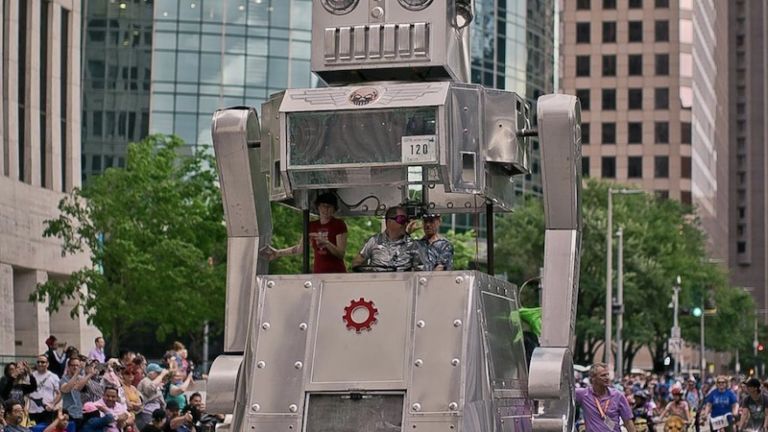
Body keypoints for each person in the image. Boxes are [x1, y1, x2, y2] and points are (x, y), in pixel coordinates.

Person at [268, 192, 348, 273]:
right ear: (318, 207)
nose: (326, 209)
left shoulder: (339, 224)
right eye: (323, 205)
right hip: (318, 272)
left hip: (336, 272)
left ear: (334, 209)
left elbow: (340, 254)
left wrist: (326, 243)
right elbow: (300, 249)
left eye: (329, 206)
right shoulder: (311, 226)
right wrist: (278, 253)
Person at [351, 206, 424, 272]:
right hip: (378, 284)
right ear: (389, 221)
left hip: (402, 285)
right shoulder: (374, 241)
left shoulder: (413, 245)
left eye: (406, 220)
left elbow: (421, 269)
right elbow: (357, 263)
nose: (405, 224)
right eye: (401, 219)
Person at [575, 362, 636, 432]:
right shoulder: (583, 394)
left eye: (607, 375)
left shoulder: (618, 396)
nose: (607, 378)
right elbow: (564, 392)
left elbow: (628, 422)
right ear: (593, 378)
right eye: (603, 375)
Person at [60, 357, 94, 431]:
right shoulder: (63, 379)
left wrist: (90, 374)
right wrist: (76, 373)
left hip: (79, 414)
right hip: (68, 414)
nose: (75, 367)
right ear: (68, 367)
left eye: (77, 365)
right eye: (73, 365)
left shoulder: (79, 378)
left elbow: (78, 387)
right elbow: (67, 389)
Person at [28, 355, 61, 425]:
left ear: (47, 364)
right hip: (32, 411)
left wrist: (52, 404)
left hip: (47, 411)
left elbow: (59, 393)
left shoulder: (54, 377)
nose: (40, 364)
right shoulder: (30, 376)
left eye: (43, 362)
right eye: (38, 362)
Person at [136, 364, 168, 431]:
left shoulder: (156, 383)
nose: (159, 375)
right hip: (146, 413)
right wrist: (161, 375)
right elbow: (149, 389)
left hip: (155, 415)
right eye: (158, 373)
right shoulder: (145, 380)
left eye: (160, 373)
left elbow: (161, 401)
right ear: (151, 373)